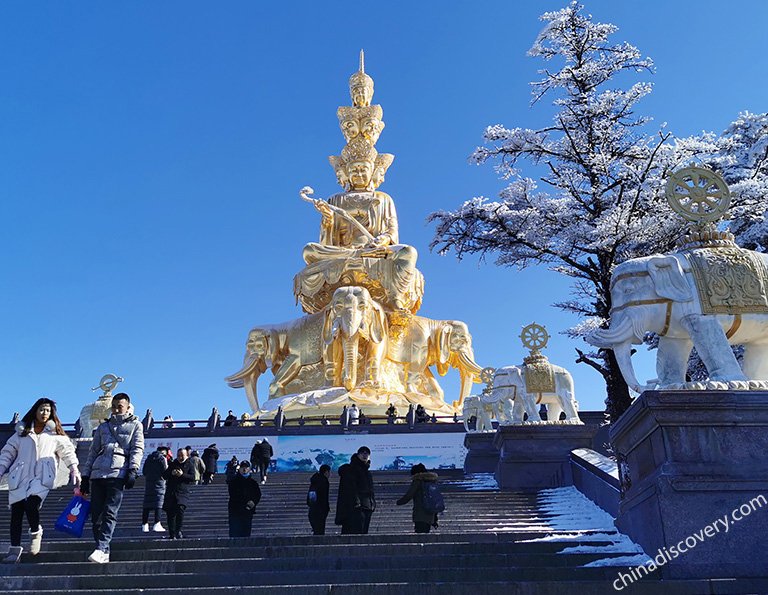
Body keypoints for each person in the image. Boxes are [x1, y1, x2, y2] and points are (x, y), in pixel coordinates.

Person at [0, 398, 80, 563]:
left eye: (48, 411)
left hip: (42, 476)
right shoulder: (21, 433)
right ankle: (14, 550)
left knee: (31, 504)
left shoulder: (55, 434)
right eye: (42, 410)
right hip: (20, 476)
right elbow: (7, 453)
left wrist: (74, 468)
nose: (45, 413)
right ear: (35, 411)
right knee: (16, 514)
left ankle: (36, 532)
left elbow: (68, 452)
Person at [80, 392, 144, 564]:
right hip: (97, 473)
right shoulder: (103, 427)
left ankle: (100, 548)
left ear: (127, 407)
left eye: (119, 406)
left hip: (117, 473)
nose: (116, 410)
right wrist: (85, 476)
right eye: (114, 406)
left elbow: (137, 449)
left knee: (109, 512)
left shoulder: (136, 425)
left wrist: (133, 469)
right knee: (96, 517)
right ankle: (104, 551)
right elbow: (93, 452)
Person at [335, 446, 375, 534]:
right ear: (357, 455)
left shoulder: (367, 473)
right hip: (355, 508)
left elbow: (370, 490)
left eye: (367, 453)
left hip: (367, 506)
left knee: (363, 534)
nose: (365, 455)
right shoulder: (351, 469)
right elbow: (350, 488)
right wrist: (357, 502)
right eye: (362, 453)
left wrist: (372, 503)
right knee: (355, 532)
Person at [396, 463, 440, 534]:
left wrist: (399, 502)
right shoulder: (432, 482)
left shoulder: (418, 481)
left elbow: (409, 495)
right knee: (426, 534)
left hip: (420, 513)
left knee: (419, 534)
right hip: (430, 514)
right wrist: (435, 518)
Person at [162, 448, 194, 539]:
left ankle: (178, 530)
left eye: (182, 455)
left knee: (180, 511)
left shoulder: (189, 464)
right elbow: (164, 475)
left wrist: (182, 475)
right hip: (171, 492)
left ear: (186, 455)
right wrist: (171, 473)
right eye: (179, 455)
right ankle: (172, 534)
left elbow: (192, 477)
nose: (180, 457)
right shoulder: (172, 464)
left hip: (182, 493)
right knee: (170, 514)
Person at [227, 461, 262, 537]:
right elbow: (233, 495)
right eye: (242, 467)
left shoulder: (253, 483)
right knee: (234, 533)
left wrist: (253, 502)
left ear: (249, 469)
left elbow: (258, 495)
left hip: (248, 511)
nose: (244, 469)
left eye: (246, 467)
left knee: (246, 533)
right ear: (239, 469)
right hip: (235, 511)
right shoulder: (233, 482)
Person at [141, 446, 168, 533]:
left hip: (149, 484)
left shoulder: (148, 458)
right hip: (159, 483)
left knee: (147, 504)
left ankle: (144, 525)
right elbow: (165, 471)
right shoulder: (162, 458)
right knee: (158, 503)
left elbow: (144, 471)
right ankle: (157, 523)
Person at [307, 464, 331, 535]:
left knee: (317, 529)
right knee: (320, 529)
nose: (329, 474)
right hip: (320, 509)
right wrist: (326, 507)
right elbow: (324, 497)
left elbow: (311, 494)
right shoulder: (324, 481)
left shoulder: (315, 480)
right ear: (326, 472)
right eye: (329, 472)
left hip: (313, 508)